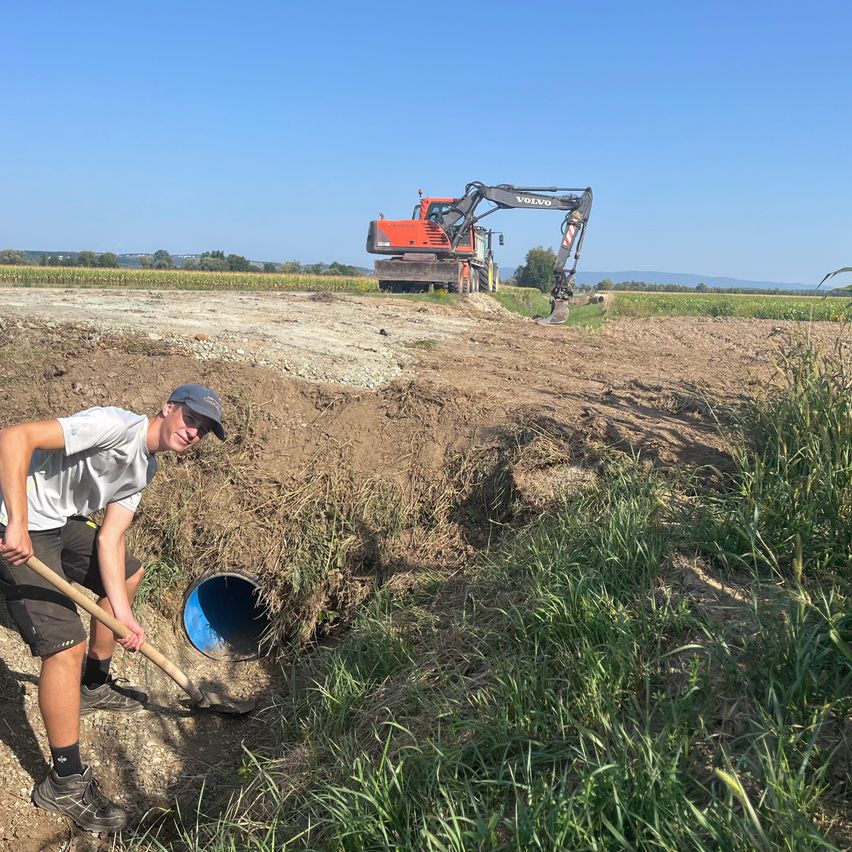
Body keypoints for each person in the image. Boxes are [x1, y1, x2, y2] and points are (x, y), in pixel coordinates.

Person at [0, 384, 225, 834]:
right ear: (168, 408)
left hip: (60, 522)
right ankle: (63, 781)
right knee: (65, 645)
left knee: (126, 574)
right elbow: (13, 438)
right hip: (17, 519)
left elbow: (110, 539)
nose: (194, 431)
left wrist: (123, 614)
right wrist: (18, 523)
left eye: (203, 429)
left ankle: (93, 685)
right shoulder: (112, 426)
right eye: (191, 418)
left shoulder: (146, 468)